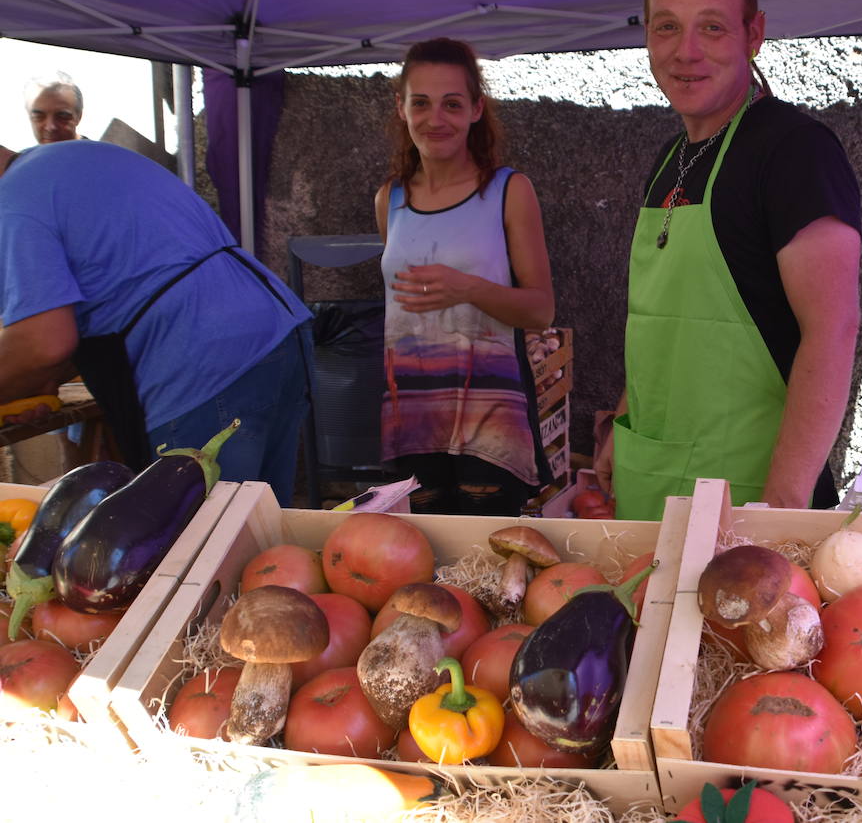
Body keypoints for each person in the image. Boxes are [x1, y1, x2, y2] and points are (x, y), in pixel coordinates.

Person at [595, 0, 862, 519]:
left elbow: (833, 329)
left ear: (754, 33)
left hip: (748, 504)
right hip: (656, 484)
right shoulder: (671, 158)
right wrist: (626, 417)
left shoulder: (794, 152)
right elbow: (664, 324)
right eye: (667, 27)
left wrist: (783, 507)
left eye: (711, 27)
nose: (685, 51)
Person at [0, 140, 312, 505]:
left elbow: (43, 341)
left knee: (197, 550)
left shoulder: (13, 201)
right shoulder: (70, 159)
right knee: (259, 535)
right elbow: (104, 304)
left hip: (203, 362)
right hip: (277, 332)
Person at [375, 37, 555, 516]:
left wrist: (468, 288)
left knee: (482, 570)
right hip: (412, 418)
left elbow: (541, 309)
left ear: (477, 109)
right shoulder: (389, 200)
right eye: (422, 103)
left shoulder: (508, 191)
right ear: (401, 108)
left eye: (452, 104)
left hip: (491, 422)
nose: (436, 119)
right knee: (420, 570)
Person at [24, 73, 83, 144]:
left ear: (79, 117)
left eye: (62, 116)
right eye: (38, 117)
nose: (50, 127)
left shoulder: (97, 154)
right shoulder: (27, 155)